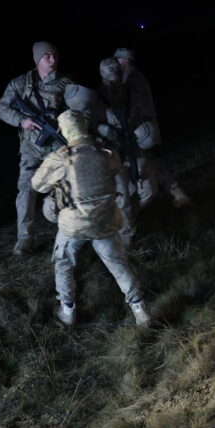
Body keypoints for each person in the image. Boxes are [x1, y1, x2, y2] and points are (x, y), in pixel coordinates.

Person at [31, 110, 152, 327]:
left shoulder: (61, 157)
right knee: (119, 265)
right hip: (105, 220)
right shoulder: (106, 152)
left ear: (64, 130)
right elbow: (116, 168)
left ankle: (67, 311)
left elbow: (37, 184)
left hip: (74, 225)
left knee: (63, 262)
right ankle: (140, 309)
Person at [0, 41, 72, 255]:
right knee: (26, 191)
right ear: (37, 59)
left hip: (57, 146)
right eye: (47, 56)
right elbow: (1, 108)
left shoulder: (65, 83)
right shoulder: (21, 84)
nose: (53, 60)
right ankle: (25, 238)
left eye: (55, 55)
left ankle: (68, 233)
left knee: (66, 187)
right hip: (31, 148)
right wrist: (22, 121)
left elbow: (77, 110)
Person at [111, 48, 190, 208]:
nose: (116, 64)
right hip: (145, 128)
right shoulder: (133, 77)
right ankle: (176, 192)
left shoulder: (132, 79)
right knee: (153, 161)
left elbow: (135, 107)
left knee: (148, 162)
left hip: (142, 129)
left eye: (118, 60)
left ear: (125, 60)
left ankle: (172, 193)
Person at [62, 84, 137, 249]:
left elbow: (116, 131)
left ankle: (125, 237)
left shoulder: (100, 110)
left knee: (122, 196)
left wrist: (106, 129)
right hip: (86, 168)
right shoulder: (69, 120)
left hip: (108, 158)